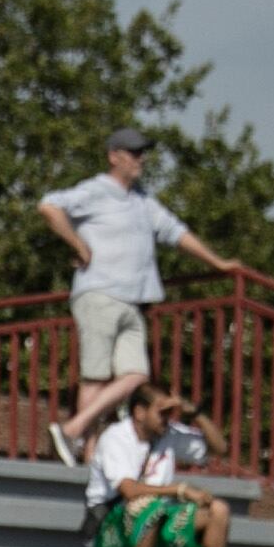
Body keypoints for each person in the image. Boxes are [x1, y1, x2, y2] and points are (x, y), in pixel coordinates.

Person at [41, 125, 232, 460]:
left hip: (134, 300)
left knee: (135, 375)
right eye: (133, 153)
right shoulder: (96, 190)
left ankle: (73, 432)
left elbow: (175, 231)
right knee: (96, 377)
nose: (140, 160)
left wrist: (217, 262)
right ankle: (87, 451)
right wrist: (78, 244)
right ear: (114, 156)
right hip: (100, 294)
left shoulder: (142, 200)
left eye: (142, 153)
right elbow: (49, 207)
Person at [80, 383, 230, 547]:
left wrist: (194, 412)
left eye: (170, 412)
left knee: (219, 510)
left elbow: (220, 449)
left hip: (157, 517)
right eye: (162, 412)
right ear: (140, 412)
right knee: (148, 505)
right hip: (110, 524)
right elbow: (129, 490)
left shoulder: (168, 434)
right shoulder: (116, 437)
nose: (167, 418)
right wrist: (180, 490)